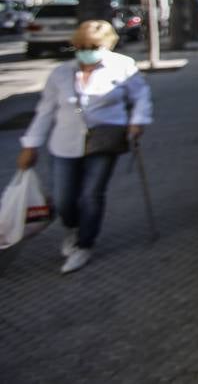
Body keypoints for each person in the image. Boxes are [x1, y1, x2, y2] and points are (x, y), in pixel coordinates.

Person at [15, 19, 153, 273]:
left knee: (91, 195)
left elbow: (141, 96)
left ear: (107, 44)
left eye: (92, 45)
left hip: (105, 139)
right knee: (64, 198)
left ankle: (84, 243)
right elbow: (45, 111)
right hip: (65, 142)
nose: (86, 49)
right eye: (81, 45)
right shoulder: (61, 73)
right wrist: (30, 145)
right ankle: (73, 229)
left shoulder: (122, 66)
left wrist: (137, 122)